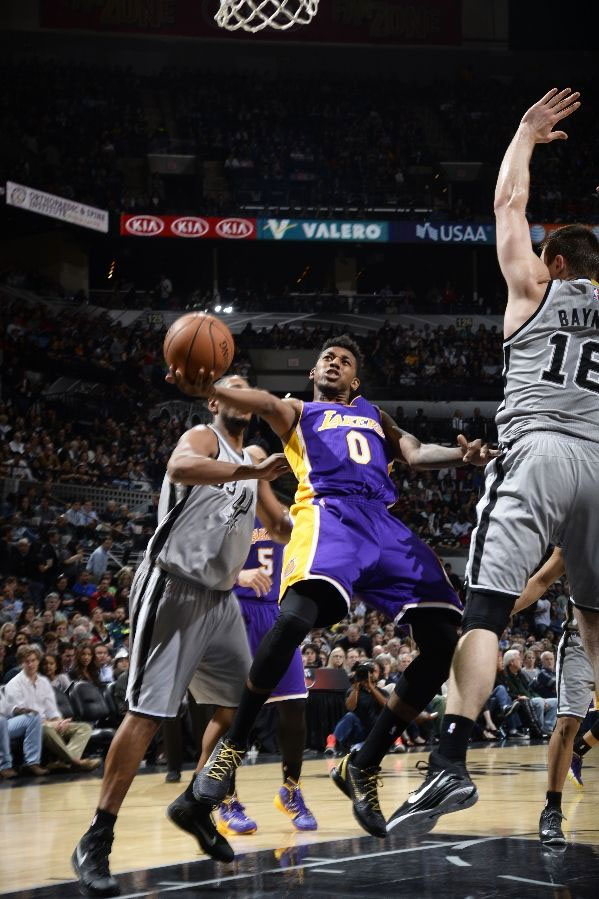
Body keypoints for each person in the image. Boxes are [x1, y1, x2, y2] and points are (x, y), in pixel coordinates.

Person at [386, 87, 599, 834]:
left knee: (483, 606)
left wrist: (523, 133)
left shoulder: (535, 285)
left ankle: (448, 761)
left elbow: (509, 203)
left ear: (557, 259)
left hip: (539, 450)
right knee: (595, 626)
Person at [189, 335, 490, 837]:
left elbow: (414, 455)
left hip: (384, 524)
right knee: (294, 620)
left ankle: (364, 762)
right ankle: (231, 750)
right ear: (313, 372)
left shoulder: (375, 415)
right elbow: (262, 402)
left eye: (345, 361)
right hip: (329, 514)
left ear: (356, 380)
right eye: (327, 358)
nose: (334, 363)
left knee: (445, 641)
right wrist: (209, 386)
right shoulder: (298, 411)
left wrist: (464, 457)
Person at [72, 375, 291, 897]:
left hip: (221, 601)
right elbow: (178, 468)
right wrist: (252, 469)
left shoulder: (256, 456)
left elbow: (279, 526)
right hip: (172, 587)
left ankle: (197, 802)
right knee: (147, 715)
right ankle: (96, 839)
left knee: (244, 706)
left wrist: (323, 505)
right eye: (229, 387)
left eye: (245, 388)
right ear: (217, 403)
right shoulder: (201, 437)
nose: (238, 395)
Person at [216, 515, 317, 836]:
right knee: (231, 714)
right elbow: (198, 559)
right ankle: (225, 797)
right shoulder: (224, 507)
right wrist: (236, 574)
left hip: (275, 611)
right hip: (233, 609)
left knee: (295, 705)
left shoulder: (287, 509)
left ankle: (290, 789)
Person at [512, 547, 599, 844]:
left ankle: (579, 752)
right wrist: (498, 613)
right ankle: (552, 808)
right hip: (581, 641)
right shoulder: (582, 527)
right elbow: (541, 580)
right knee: (567, 724)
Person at [4, 645, 100, 773]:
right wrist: (50, 723)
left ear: (38, 661)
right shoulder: (14, 685)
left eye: (33, 660)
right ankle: (76, 761)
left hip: (50, 723)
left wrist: (60, 721)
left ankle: (62, 761)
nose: (31, 664)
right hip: (31, 726)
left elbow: (52, 710)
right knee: (44, 728)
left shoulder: (43, 682)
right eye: (27, 662)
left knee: (84, 727)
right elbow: (25, 717)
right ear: (21, 664)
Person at [0, 688, 48, 778]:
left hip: (5, 722)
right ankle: (3, 767)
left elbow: (6, 707)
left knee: (33, 717)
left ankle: (32, 763)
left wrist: (19, 710)